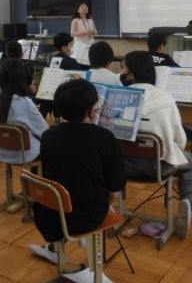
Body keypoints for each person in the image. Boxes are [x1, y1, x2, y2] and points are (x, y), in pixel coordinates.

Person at [28, 78, 125, 282]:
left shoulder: (48, 136)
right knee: (101, 200)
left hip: (50, 214)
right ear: (91, 110)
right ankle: (96, 274)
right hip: (86, 217)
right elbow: (115, 193)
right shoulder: (105, 138)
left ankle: (56, 251)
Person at [119, 51, 192, 235]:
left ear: (131, 74)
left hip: (123, 166)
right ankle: (187, 203)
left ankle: (114, 208)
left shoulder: (119, 98)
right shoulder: (166, 98)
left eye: (123, 68)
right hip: (159, 167)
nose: (121, 72)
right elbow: (181, 141)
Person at [0, 58, 49, 164]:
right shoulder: (24, 102)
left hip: (2, 153)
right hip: (24, 155)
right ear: (21, 78)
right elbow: (44, 131)